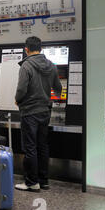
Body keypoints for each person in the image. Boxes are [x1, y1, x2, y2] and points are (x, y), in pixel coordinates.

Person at [14, 36, 62, 192]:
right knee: (42, 146)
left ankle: (31, 182)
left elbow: (21, 89)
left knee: (30, 147)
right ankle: (43, 180)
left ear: (26, 49)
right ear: (40, 49)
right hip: (45, 111)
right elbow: (59, 89)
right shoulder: (52, 66)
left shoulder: (26, 66)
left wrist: (17, 100)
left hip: (30, 112)